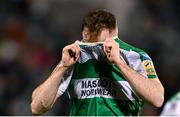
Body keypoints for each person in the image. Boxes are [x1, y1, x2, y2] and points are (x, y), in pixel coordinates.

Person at [30, 9, 164, 116]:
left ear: (114, 35)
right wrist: (63, 66)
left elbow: (157, 99)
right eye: (88, 44)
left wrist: (119, 63)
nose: (94, 51)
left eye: (100, 45)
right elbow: (37, 107)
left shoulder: (135, 56)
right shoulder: (74, 57)